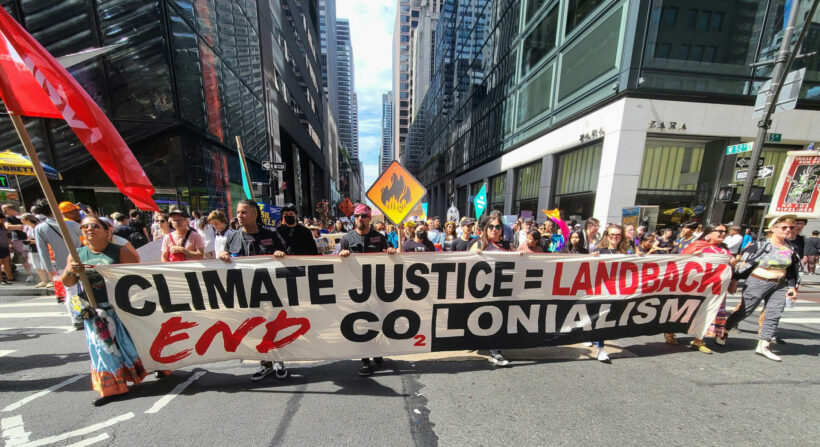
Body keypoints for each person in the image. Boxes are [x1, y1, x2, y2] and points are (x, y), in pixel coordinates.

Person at [59, 216, 152, 406]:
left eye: (95, 226)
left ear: (107, 230)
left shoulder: (120, 251)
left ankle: (158, 366)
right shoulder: (76, 255)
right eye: (85, 227)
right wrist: (71, 271)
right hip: (95, 312)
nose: (89, 229)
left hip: (121, 308)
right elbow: (67, 282)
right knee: (103, 349)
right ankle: (113, 387)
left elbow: (137, 277)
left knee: (133, 345)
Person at [218, 200, 288, 380]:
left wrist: (281, 255)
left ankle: (278, 360)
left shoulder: (271, 234)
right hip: (246, 293)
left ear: (255, 214)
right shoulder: (233, 237)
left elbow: (286, 256)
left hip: (270, 291)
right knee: (257, 329)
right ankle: (265, 364)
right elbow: (225, 257)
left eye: (244, 212)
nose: (239, 216)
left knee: (273, 326)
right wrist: (223, 255)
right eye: (238, 212)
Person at [724, 215, 800, 361]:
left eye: (790, 227)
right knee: (745, 311)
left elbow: (792, 269)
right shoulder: (760, 246)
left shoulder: (791, 248)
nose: (788, 230)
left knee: (774, 314)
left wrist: (792, 286)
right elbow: (745, 264)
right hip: (758, 282)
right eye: (784, 227)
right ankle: (725, 328)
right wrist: (735, 280)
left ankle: (764, 344)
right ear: (773, 229)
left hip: (780, 285)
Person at [338, 204, 397, 375]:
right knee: (361, 323)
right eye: (357, 216)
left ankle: (376, 351)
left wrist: (391, 252)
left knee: (377, 320)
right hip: (356, 289)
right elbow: (338, 264)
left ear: (369, 218)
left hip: (377, 287)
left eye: (363, 216)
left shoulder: (379, 238)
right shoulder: (346, 239)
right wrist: (341, 255)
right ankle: (364, 359)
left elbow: (388, 257)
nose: (360, 219)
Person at [667, 224, 734, 352]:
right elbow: (681, 262)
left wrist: (732, 264)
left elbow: (730, 267)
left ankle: (698, 340)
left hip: (715, 288)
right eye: (719, 231)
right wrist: (693, 256)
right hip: (695, 287)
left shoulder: (724, 249)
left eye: (725, 232)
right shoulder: (697, 245)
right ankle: (670, 332)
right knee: (684, 310)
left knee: (709, 311)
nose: (723, 234)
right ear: (709, 233)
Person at [468, 215, 511, 367]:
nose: (494, 229)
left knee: (498, 318)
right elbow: (465, 263)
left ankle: (496, 351)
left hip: (501, 289)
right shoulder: (478, 243)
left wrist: (521, 256)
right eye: (491, 227)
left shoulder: (507, 246)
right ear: (486, 229)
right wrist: (474, 255)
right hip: (481, 289)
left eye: (498, 227)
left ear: (502, 230)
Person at [589, 224, 631, 363]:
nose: (615, 237)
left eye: (618, 235)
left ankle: (592, 336)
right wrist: (591, 258)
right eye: (612, 234)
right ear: (606, 236)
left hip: (618, 291)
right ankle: (601, 349)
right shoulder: (599, 251)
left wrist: (641, 257)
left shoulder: (626, 251)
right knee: (601, 319)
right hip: (601, 290)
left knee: (610, 318)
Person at [33, 199, 82, 296]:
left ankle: (72, 306)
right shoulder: (71, 224)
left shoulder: (40, 228)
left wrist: (50, 269)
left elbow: (42, 251)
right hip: (80, 259)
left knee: (70, 292)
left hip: (61, 264)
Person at [3, 204, 33, 282]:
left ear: (10, 209)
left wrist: (19, 227)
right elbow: (8, 227)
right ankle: (30, 274)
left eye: (5, 210)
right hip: (18, 239)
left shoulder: (23, 215)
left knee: (33, 256)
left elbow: (30, 224)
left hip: (29, 238)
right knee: (24, 258)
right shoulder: (9, 218)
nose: (4, 212)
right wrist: (22, 226)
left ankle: (36, 273)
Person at [20, 213, 50, 287]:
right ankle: (44, 281)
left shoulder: (37, 227)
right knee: (36, 265)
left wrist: (32, 241)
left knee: (44, 264)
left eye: (22, 219)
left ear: (26, 220)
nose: (21, 221)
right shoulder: (27, 227)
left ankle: (51, 280)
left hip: (40, 247)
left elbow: (43, 239)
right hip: (32, 248)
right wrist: (29, 241)